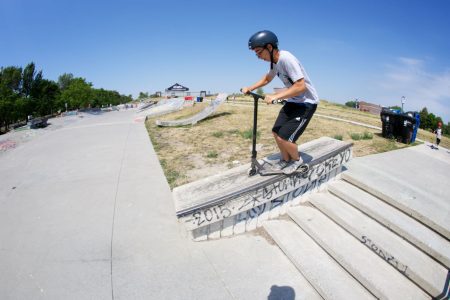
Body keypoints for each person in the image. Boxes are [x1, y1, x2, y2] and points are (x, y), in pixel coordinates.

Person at [241, 30, 319, 174]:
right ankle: (285, 160)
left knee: (285, 138)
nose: (258, 56)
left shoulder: (286, 59)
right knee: (276, 132)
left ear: (269, 47)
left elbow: (301, 86)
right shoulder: (274, 62)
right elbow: (267, 79)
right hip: (293, 101)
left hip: (306, 103)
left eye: (259, 52)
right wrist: (250, 88)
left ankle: (297, 161)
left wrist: (277, 97)